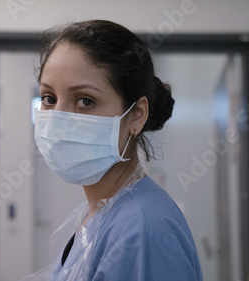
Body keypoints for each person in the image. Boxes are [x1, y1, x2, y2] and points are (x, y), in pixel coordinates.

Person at [24, 20, 203, 281]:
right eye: (49, 98)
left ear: (136, 115)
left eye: (85, 101)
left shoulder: (142, 231)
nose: (58, 121)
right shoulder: (98, 212)